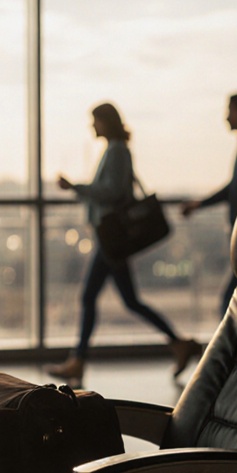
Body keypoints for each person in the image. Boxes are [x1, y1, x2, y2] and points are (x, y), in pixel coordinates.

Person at [44, 102, 202, 385]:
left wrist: (76, 187)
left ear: (106, 122)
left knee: (91, 297)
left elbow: (112, 192)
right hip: (110, 237)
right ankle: (178, 342)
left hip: (111, 237)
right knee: (128, 300)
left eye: (95, 121)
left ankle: (78, 361)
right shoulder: (116, 150)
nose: (92, 126)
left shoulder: (116, 151)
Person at [181, 92, 237, 311]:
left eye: (230, 110)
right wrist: (200, 204)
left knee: (231, 299)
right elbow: (235, 188)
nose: (226, 117)